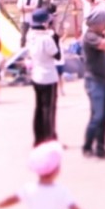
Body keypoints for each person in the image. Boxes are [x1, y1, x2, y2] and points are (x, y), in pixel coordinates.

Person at [81, 10, 105, 159]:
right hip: (94, 81)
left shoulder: (100, 35)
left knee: (104, 117)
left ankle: (100, 148)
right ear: (97, 22)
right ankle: (87, 146)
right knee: (98, 116)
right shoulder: (90, 36)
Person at [25, 8, 61, 145]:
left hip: (36, 74)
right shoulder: (46, 39)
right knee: (48, 109)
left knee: (39, 108)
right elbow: (57, 56)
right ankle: (49, 138)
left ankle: (38, 138)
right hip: (48, 76)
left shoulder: (30, 35)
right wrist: (56, 38)